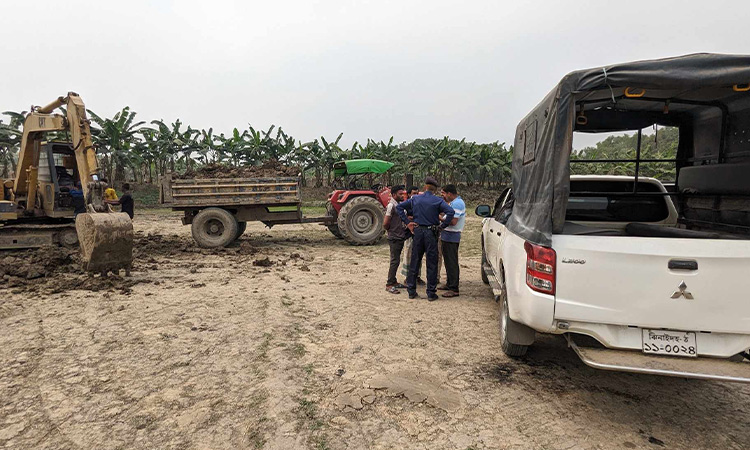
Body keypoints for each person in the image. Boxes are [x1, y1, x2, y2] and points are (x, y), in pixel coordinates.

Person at [396, 177, 454, 301]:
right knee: (432, 263)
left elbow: (400, 208)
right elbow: (450, 212)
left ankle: (411, 291)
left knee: (415, 261)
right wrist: (442, 226)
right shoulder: (438, 201)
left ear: (424, 187)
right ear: (435, 190)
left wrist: (408, 222)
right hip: (431, 232)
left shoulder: (415, 199)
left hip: (417, 232)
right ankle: (431, 293)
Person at [438, 184, 465, 298]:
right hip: (447, 235)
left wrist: (438, 217)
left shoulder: (457, 204)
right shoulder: (453, 203)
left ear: (449, 193)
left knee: (452, 262)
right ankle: (449, 283)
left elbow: (453, 221)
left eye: (443, 193)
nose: (442, 196)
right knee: (448, 262)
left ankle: (454, 288)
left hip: (451, 236)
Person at [384, 185, 408, 294]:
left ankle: (393, 281)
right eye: (400, 194)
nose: (402, 195)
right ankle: (389, 284)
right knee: (394, 260)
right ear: (394, 195)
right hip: (394, 237)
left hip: (399, 236)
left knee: (396, 260)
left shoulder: (398, 205)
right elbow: (386, 223)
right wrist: (391, 230)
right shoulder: (391, 206)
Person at [400, 186, 425, 285]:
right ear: (409, 194)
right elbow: (402, 215)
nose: (416, 195)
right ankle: (408, 277)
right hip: (409, 233)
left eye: (417, 193)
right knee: (409, 255)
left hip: (419, 233)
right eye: (414, 193)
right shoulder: (407, 204)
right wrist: (409, 219)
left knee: (419, 255)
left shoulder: (420, 203)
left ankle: (417, 276)